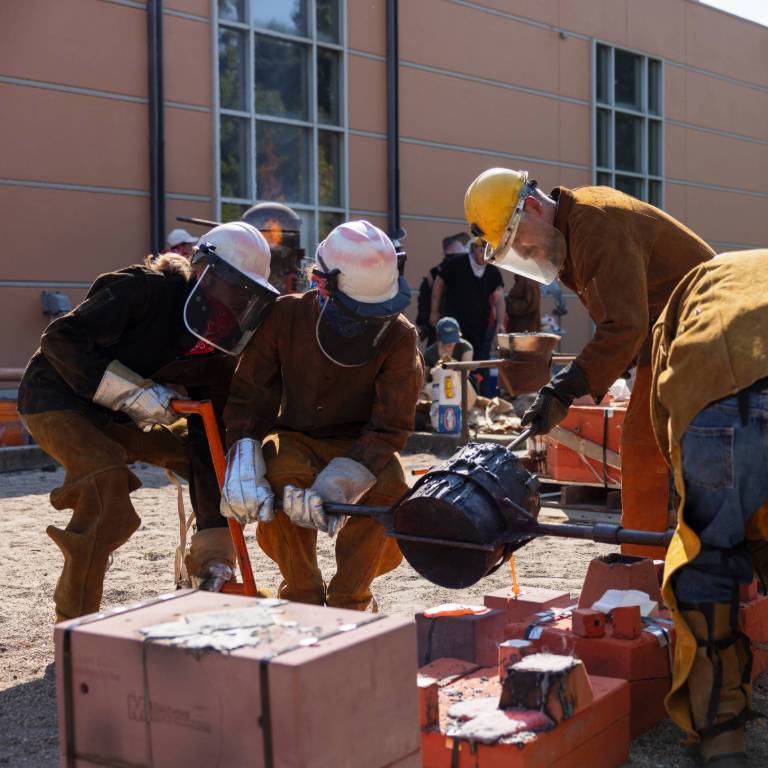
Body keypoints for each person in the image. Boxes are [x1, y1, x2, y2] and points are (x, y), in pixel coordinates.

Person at [17, 222, 278, 621]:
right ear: (204, 270)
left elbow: (210, 445)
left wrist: (218, 543)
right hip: (57, 399)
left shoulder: (220, 346)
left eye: (250, 293)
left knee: (205, 455)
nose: (242, 301)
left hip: (123, 417)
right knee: (106, 486)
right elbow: (59, 340)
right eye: (235, 287)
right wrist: (136, 392)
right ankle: (74, 624)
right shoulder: (144, 290)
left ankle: (208, 568)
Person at [465, 168, 714, 557]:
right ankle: (650, 554)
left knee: (649, 443)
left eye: (521, 246)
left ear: (532, 207)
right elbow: (629, 318)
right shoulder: (571, 233)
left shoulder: (593, 222)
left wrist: (564, 387)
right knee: (644, 443)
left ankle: (647, 560)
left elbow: (623, 324)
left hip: (702, 326)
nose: (527, 256)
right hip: (670, 333)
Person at [220, 220, 424, 611]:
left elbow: (390, 425)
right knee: (281, 479)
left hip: (365, 444)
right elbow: (250, 398)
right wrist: (243, 458)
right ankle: (301, 596)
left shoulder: (399, 336)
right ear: (321, 284)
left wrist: (343, 482)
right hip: (294, 434)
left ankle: (351, 598)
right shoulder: (283, 316)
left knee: (390, 491)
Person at [651, 251, 768, 768]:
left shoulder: (697, 287)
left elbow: (663, 404)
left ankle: (722, 743)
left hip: (713, 393)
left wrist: (691, 496)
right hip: (721, 386)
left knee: (707, 561)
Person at [430, 237, 506, 364]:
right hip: (454, 327)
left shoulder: (492, 271)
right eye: (482, 251)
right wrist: (434, 311)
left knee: (478, 365)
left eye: (488, 253)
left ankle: (476, 384)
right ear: (474, 248)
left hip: (480, 326)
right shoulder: (456, 263)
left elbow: (499, 299)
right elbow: (438, 284)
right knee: (452, 363)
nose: (485, 256)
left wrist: (500, 323)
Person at [415, 232, 470, 346]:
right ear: (447, 257)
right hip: (439, 321)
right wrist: (424, 320)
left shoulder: (466, 272)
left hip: (463, 322)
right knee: (436, 351)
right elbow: (424, 298)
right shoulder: (436, 273)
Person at [423, 317, 473, 382]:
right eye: (447, 339)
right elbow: (423, 378)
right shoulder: (430, 352)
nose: (450, 342)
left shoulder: (465, 347)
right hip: (438, 387)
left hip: (460, 386)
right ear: (439, 335)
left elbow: (465, 374)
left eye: (453, 338)